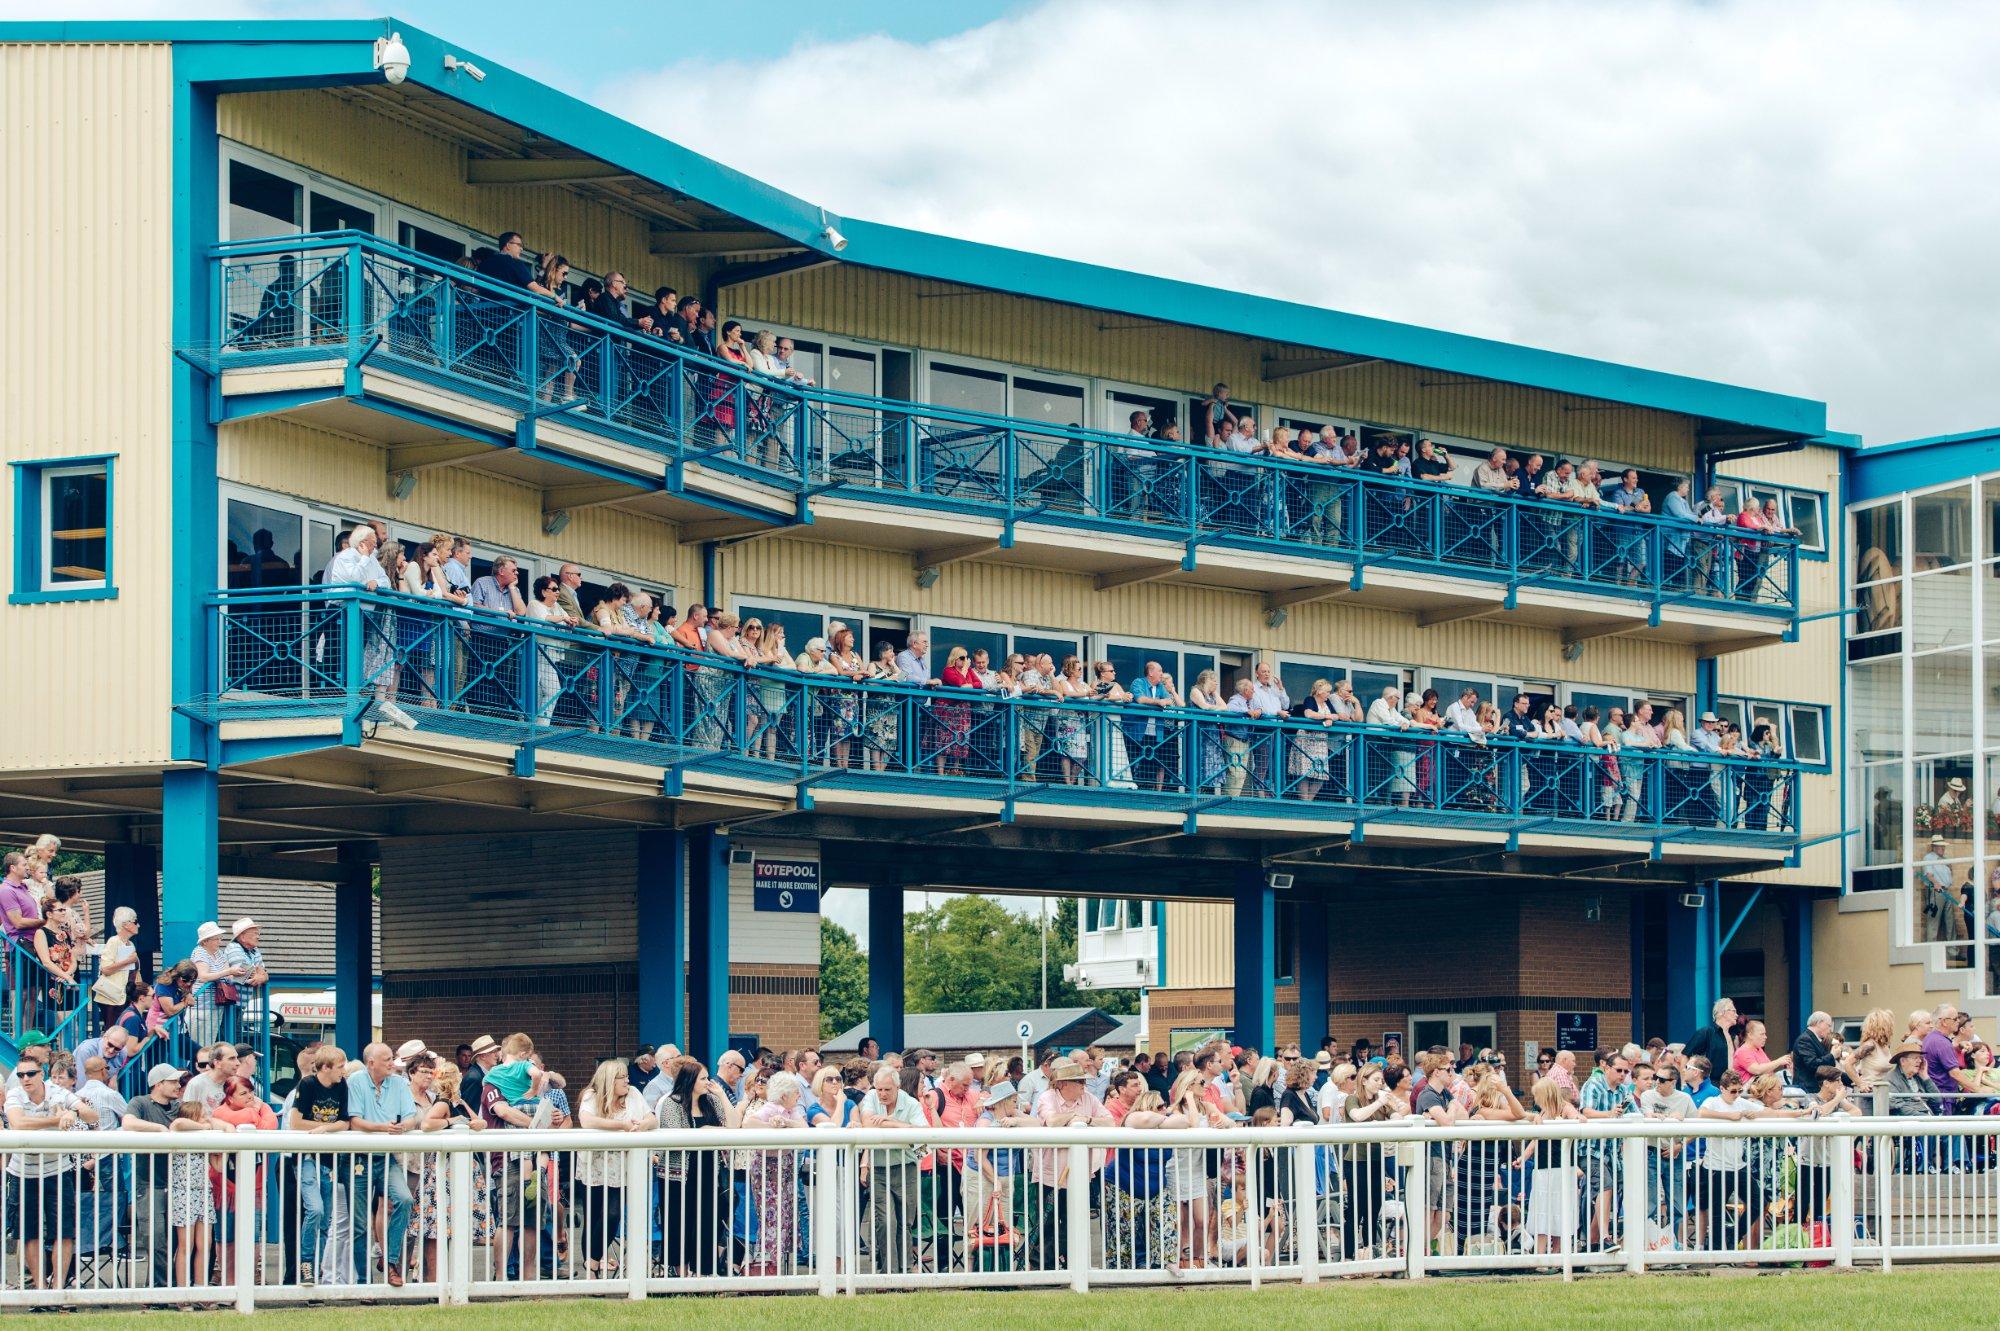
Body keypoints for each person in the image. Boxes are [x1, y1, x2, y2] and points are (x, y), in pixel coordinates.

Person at [574, 1058, 656, 1277]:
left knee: (613, 1213)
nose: (627, 1081)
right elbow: (587, 1120)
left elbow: (651, 1118)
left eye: (627, 1076)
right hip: (594, 1165)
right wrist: (622, 1126)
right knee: (593, 1216)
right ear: (610, 1080)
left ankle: (593, 1262)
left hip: (622, 1167)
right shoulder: (591, 1096)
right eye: (622, 1077)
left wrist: (642, 1125)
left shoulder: (634, 1095)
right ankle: (592, 1272)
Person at [347, 1041, 419, 1286]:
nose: (392, 1063)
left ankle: (390, 1262)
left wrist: (402, 1127)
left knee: (405, 1199)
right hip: (359, 1158)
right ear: (371, 1063)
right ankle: (363, 1282)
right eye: (387, 1059)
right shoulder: (356, 1081)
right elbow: (354, 1121)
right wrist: (383, 1128)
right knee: (359, 1224)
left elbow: (411, 1117)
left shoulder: (398, 1083)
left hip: (387, 1157)